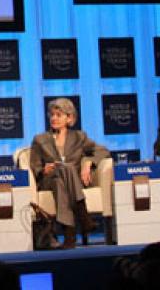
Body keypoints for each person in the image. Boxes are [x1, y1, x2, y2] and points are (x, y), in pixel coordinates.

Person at [29, 98, 109, 249]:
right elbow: (34, 166)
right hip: (48, 180)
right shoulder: (40, 139)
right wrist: (44, 170)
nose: (54, 118)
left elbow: (103, 151)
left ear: (69, 118)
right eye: (52, 114)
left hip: (69, 183)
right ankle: (83, 215)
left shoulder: (79, 137)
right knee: (63, 170)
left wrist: (88, 162)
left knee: (62, 178)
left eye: (58, 115)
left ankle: (69, 235)